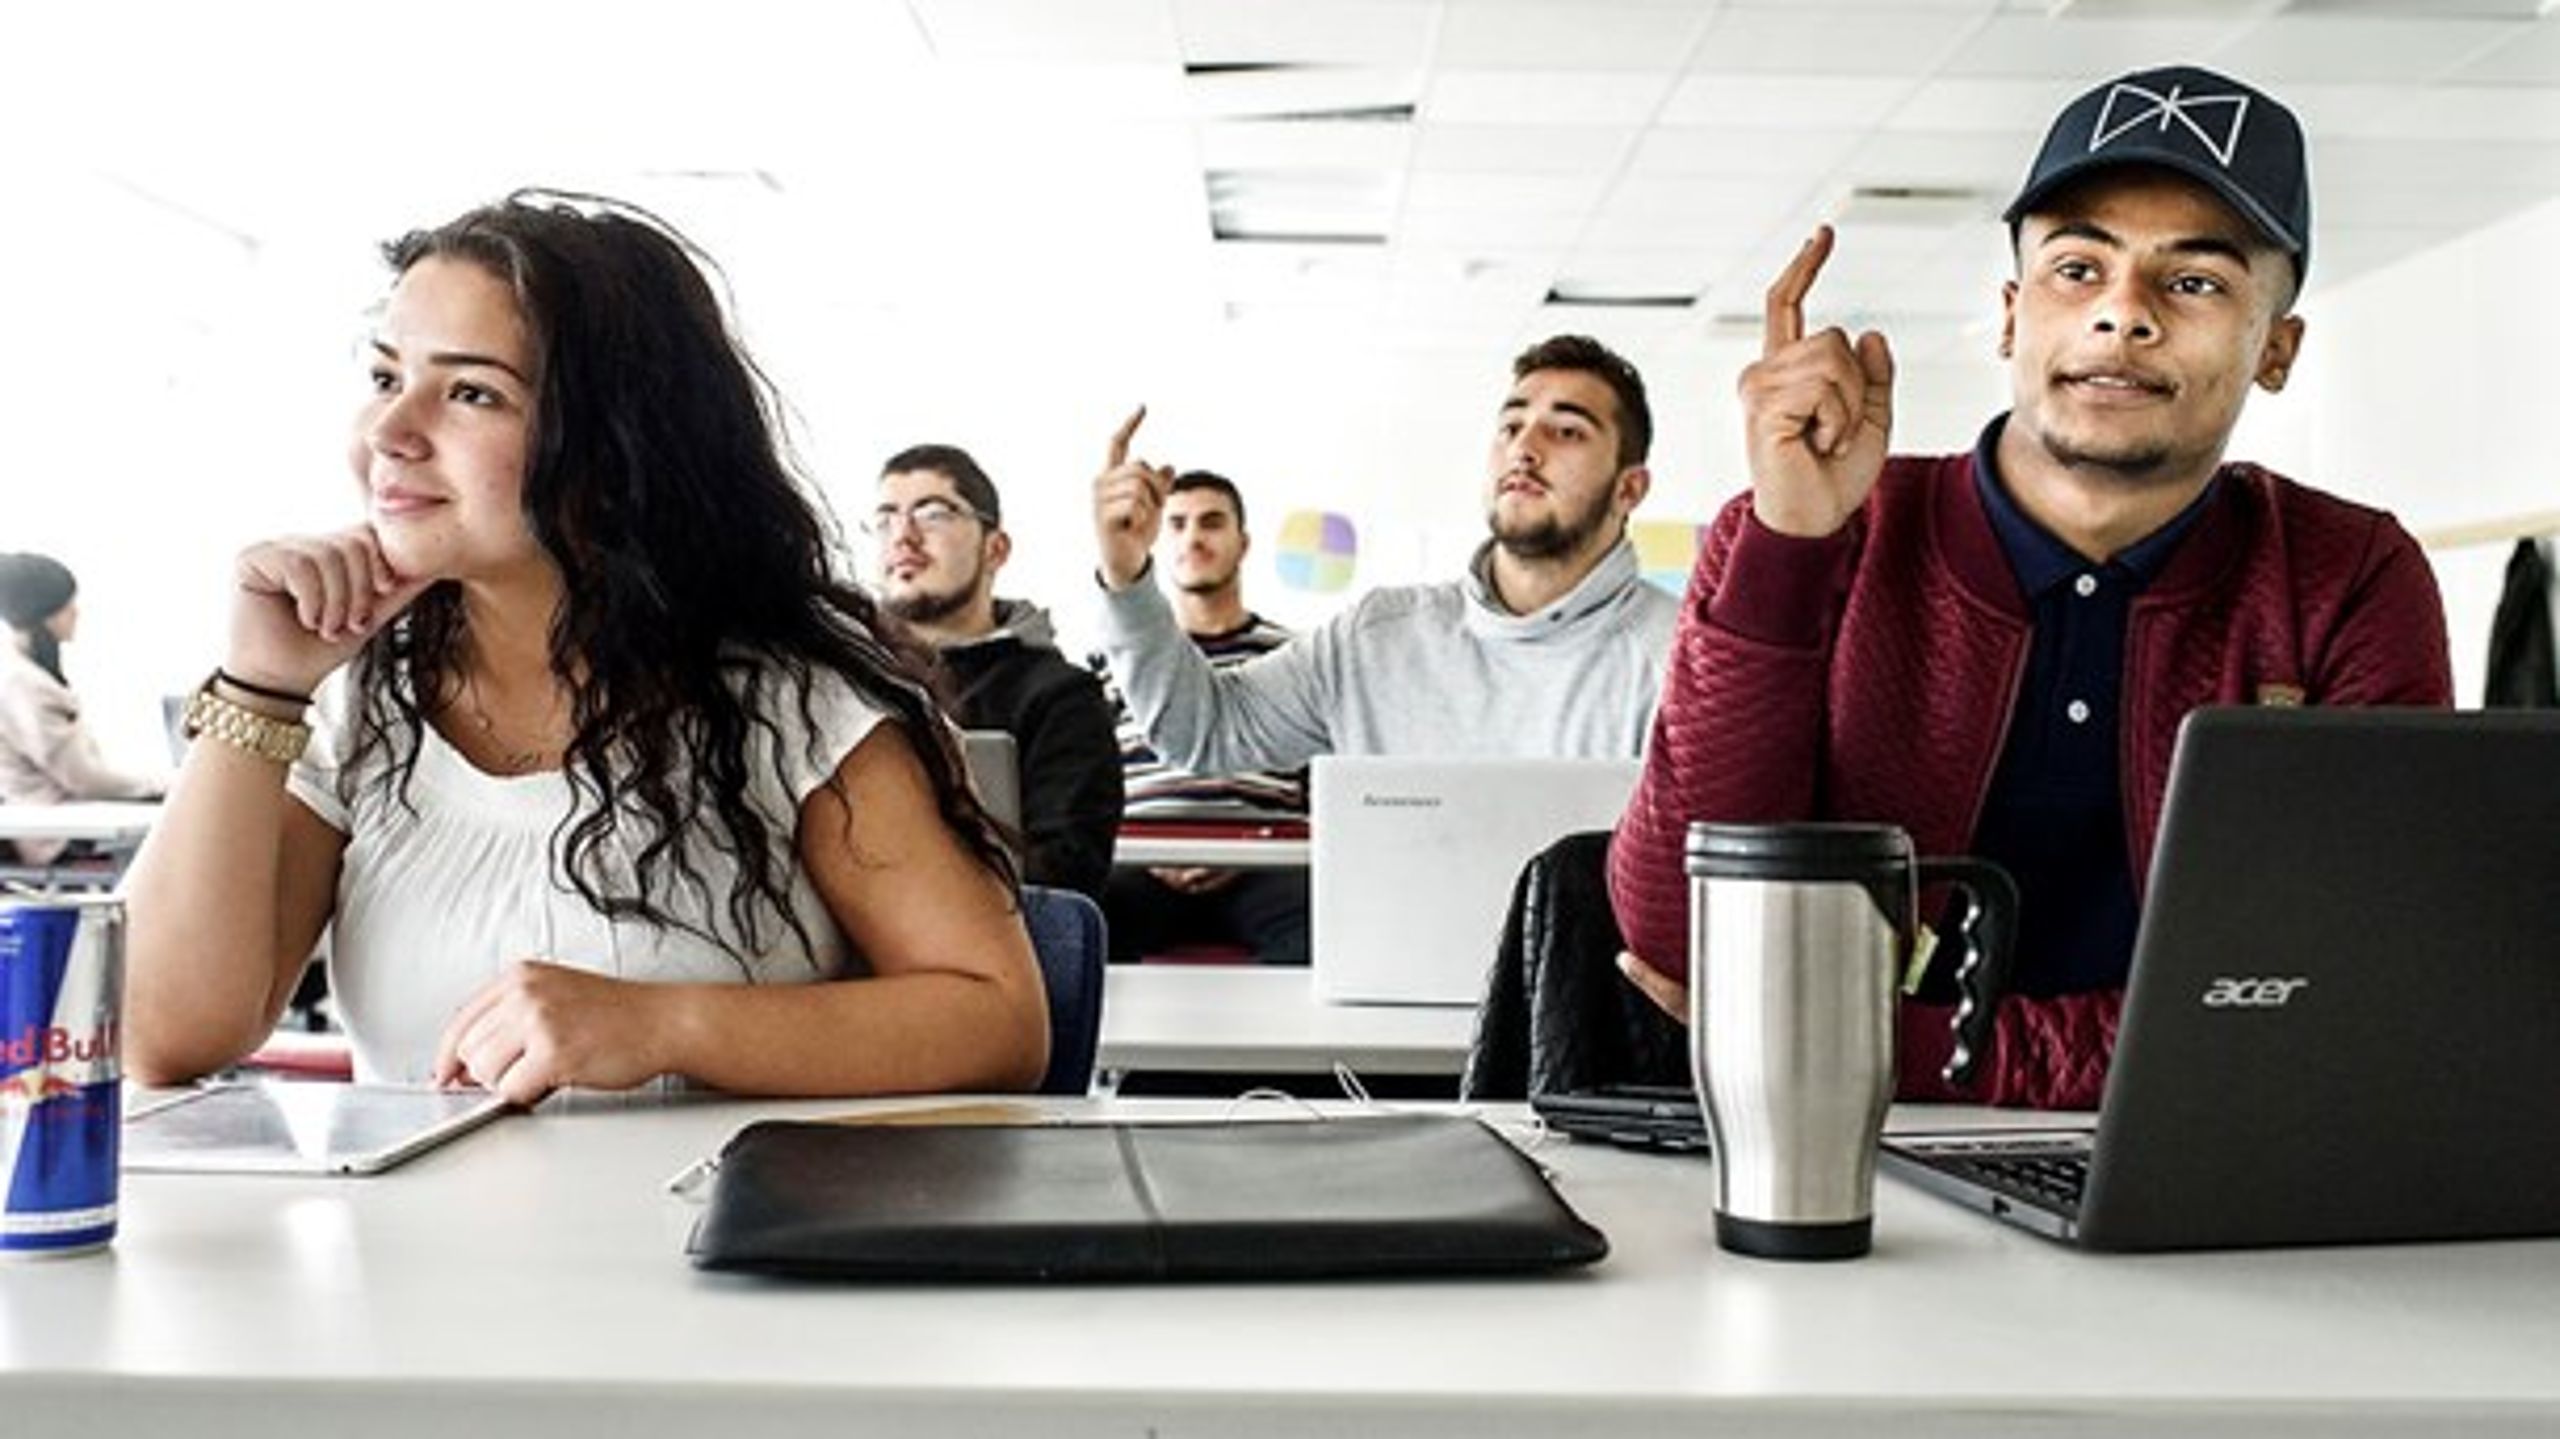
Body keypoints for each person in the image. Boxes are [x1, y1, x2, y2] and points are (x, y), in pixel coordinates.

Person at [1609, 65, 2453, 1109]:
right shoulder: (1819, 530)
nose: (2122, 315)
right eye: (2075, 267)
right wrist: (1789, 547)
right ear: (2011, 315)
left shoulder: (2346, 576)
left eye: (2193, 282)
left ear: (2274, 348)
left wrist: (1913, 1052)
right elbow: (1678, 934)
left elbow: (2342, 987)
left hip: (2194, 1160)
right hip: (1834, 1158)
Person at [121, 193, 1049, 1102]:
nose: (390, 434)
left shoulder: (793, 698)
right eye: (384, 378)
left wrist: (661, 1024)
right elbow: (159, 1037)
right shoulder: (357, 692)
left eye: (472, 392)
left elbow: (997, 1020)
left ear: (614, 446)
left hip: (702, 1242)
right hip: (411, 1255)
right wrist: (262, 687)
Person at [1089, 334, 1678, 773]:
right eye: (1512, 426)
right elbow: (1205, 730)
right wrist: (1128, 578)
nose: (1525, 448)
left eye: (1567, 431)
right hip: (1391, 940)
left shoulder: (1680, 660)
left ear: (1629, 489)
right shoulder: (1377, 637)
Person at [870, 444, 1124, 903]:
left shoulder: (1061, 695)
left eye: (932, 513)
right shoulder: (847, 681)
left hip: (990, 942)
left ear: (996, 549)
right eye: (886, 517)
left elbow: (1064, 876)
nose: (902, 536)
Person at [1095, 470, 1311, 966]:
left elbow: (1328, 786)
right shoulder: (1112, 664)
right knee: (1078, 925)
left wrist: (1246, 851)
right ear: (1156, 541)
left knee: (1327, 926)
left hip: (1271, 864)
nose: (1193, 537)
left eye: (1212, 522)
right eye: (1176, 524)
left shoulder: (1297, 657)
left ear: (1244, 543)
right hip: (1139, 862)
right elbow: (1092, 790)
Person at [0, 552, 170, 864]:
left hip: (56, 822)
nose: (76, 613)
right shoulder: (25, 686)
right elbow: (82, 777)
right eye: (67, 605)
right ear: (43, 614)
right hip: (52, 837)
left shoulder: (20, 676)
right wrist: (163, 784)